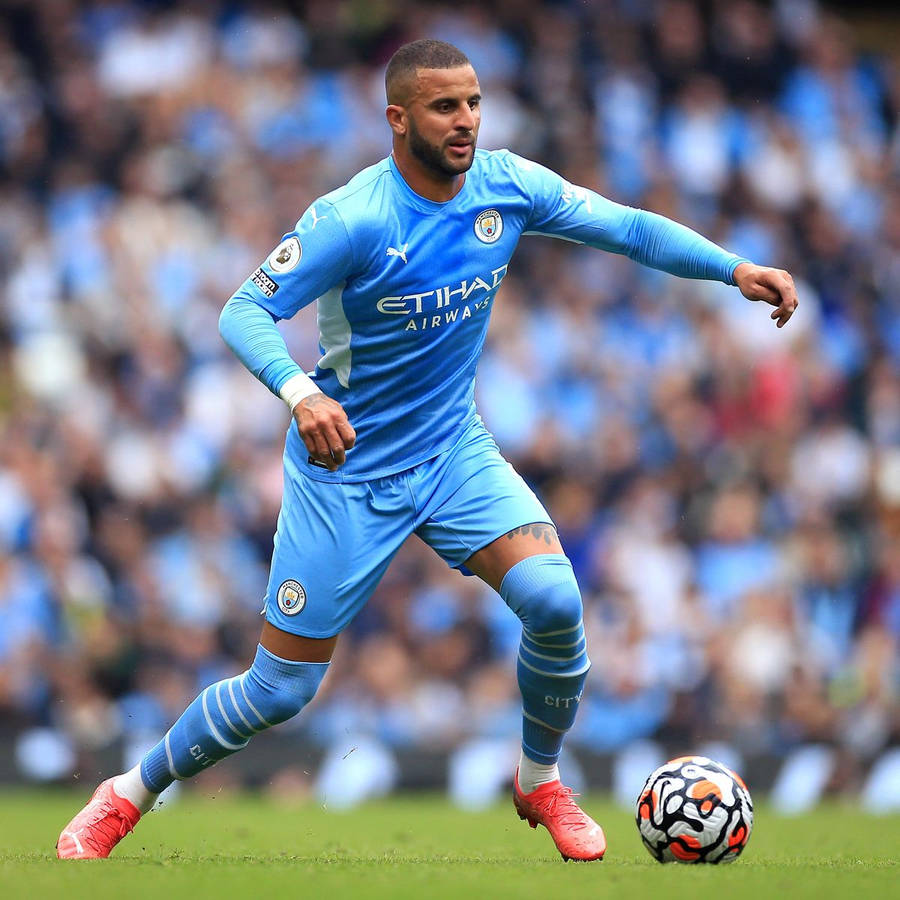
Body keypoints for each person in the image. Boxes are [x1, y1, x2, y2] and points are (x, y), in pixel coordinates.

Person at [56, 39, 797, 862]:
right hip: (346, 473)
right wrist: (301, 394)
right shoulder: (354, 217)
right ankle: (128, 794)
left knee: (554, 600)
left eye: (475, 103)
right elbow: (242, 311)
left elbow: (623, 228)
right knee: (281, 689)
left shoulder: (506, 186)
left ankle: (539, 779)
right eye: (447, 107)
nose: (467, 121)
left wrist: (733, 269)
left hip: (451, 453)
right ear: (397, 118)